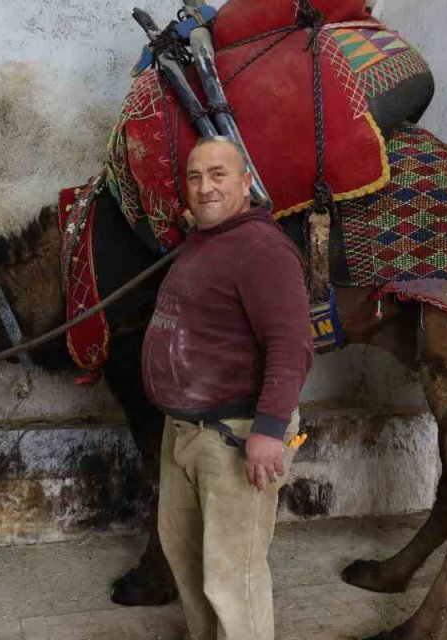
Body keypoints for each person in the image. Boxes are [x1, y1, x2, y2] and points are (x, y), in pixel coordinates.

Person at [141, 136, 313, 640]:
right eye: (195, 177)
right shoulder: (206, 241)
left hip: (237, 438)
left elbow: (291, 345)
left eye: (218, 175)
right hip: (186, 434)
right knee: (190, 564)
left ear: (244, 184)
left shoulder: (262, 249)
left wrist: (270, 431)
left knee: (233, 576)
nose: (205, 187)